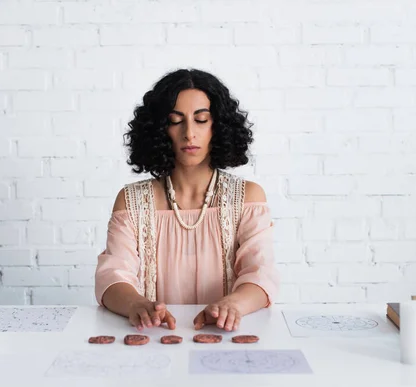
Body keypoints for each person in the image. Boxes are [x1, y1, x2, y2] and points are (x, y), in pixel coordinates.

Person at [94, 68, 279, 332]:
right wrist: (136, 304)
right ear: (160, 128)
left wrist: (233, 305)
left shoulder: (247, 197)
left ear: (218, 125)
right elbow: (112, 276)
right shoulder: (131, 201)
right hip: (153, 339)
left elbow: (261, 275)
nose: (189, 133)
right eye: (175, 120)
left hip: (226, 339)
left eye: (201, 119)